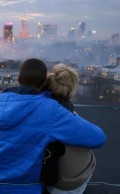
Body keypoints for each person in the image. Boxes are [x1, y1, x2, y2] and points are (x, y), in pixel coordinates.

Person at [0, 58, 106, 194]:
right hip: (25, 189)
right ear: (45, 82)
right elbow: (98, 138)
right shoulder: (50, 109)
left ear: (19, 79)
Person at [42, 64, 96, 194]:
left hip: (52, 183)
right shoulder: (72, 118)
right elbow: (99, 138)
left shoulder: (40, 114)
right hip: (76, 182)